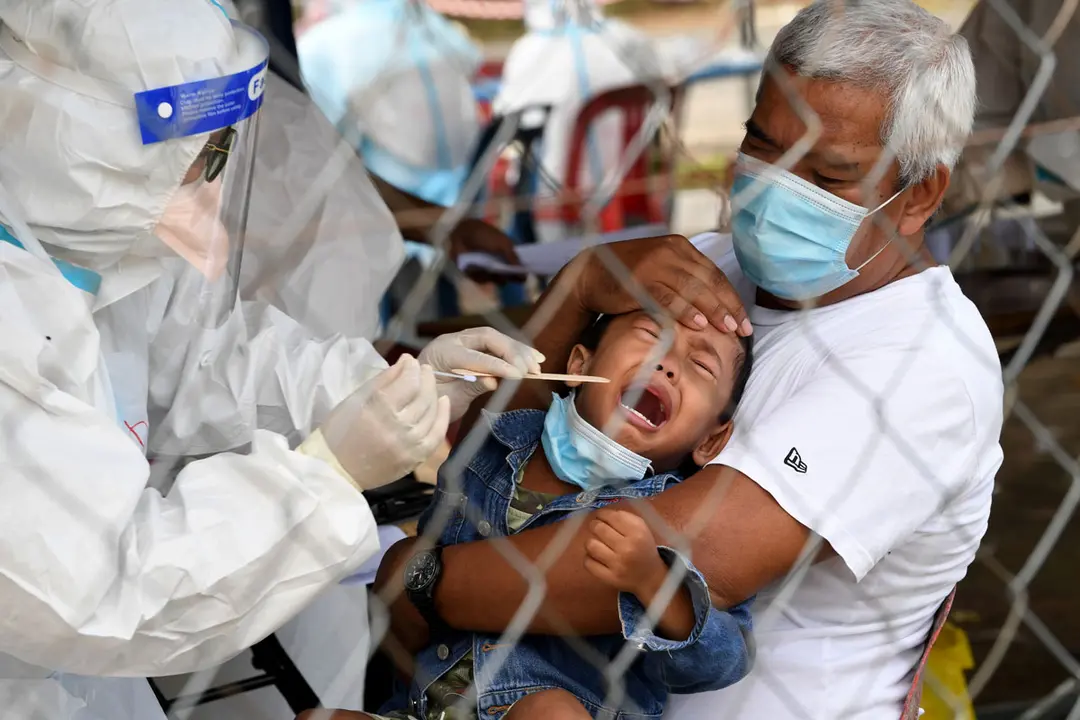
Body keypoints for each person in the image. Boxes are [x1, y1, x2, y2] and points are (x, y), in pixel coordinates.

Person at [375, 2, 1004, 718]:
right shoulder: (700, 266)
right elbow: (500, 451)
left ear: (918, 193)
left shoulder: (925, 367)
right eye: (763, 146)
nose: (775, 191)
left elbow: (682, 559)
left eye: (826, 177)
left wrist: (422, 580)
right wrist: (580, 285)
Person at [0, 1, 539, 718]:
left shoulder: (92, 248)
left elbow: (211, 360)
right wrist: (323, 474)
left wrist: (394, 383)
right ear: (84, 143)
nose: (209, 187)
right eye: (198, 155)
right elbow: (102, 592)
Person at [361, 313, 755, 720]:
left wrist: (652, 581)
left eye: (702, 366)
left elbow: (723, 661)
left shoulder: (681, 516)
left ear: (711, 440)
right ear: (579, 366)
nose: (667, 364)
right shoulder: (496, 440)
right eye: (651, 335)